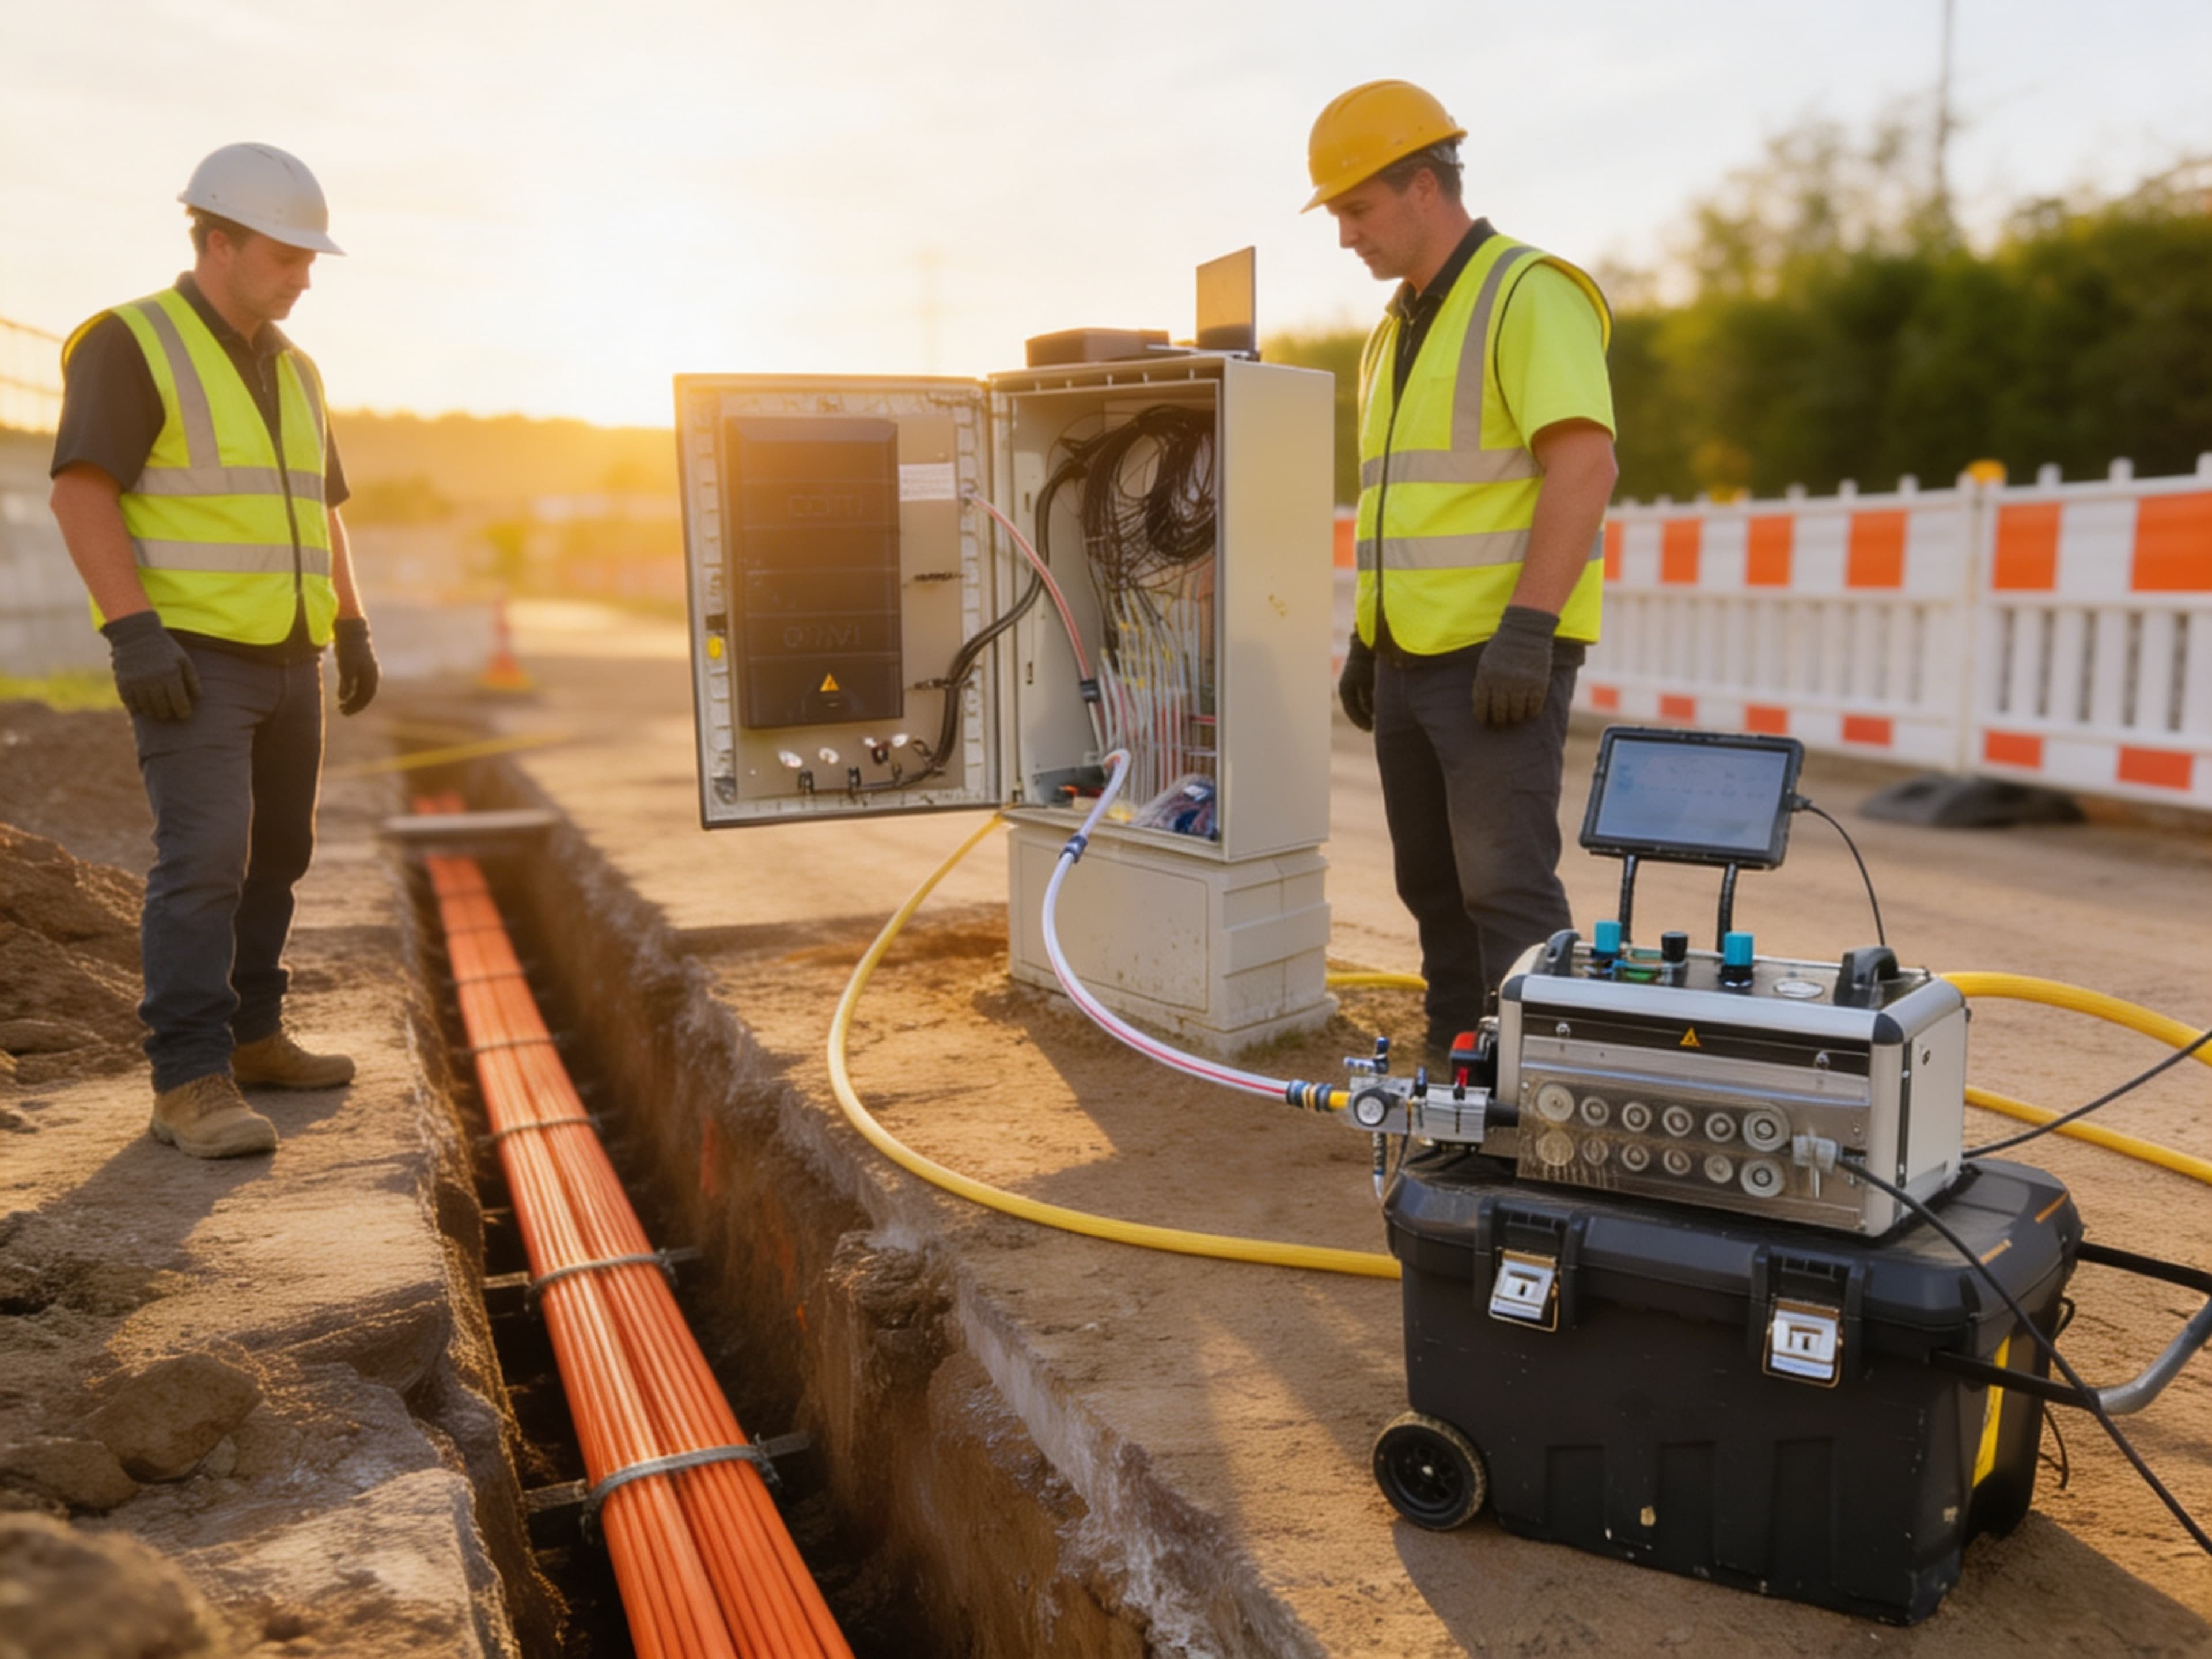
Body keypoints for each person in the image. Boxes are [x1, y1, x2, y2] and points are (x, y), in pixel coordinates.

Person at [48, 142, 380, 1158]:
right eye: (287, 256)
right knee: (204, 860)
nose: (304, 276)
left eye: (310, 257)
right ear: (220, 242)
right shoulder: (131, 342)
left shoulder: (298, 368)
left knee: (279, 852)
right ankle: (188, 1079)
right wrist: (132, 632)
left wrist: (352, 623)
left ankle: (253, 1035)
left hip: (290, 653)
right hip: (192, 656)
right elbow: (81, 491)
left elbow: (320, 507)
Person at [1309, 81, 1618, 1065]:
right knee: (1432, 886)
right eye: (1338, 214)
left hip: (1496, 654)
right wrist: (1367, 641)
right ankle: (1458, 1068)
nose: (1347, 235)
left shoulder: (1529, 292)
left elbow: (1585, 465)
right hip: (1410, 654)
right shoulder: (1392, 330)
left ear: (1425, 185)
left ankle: (1545, 1087)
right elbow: (1405, 505)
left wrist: (1529, 629)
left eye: (1359, 209)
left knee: (1505, 887)